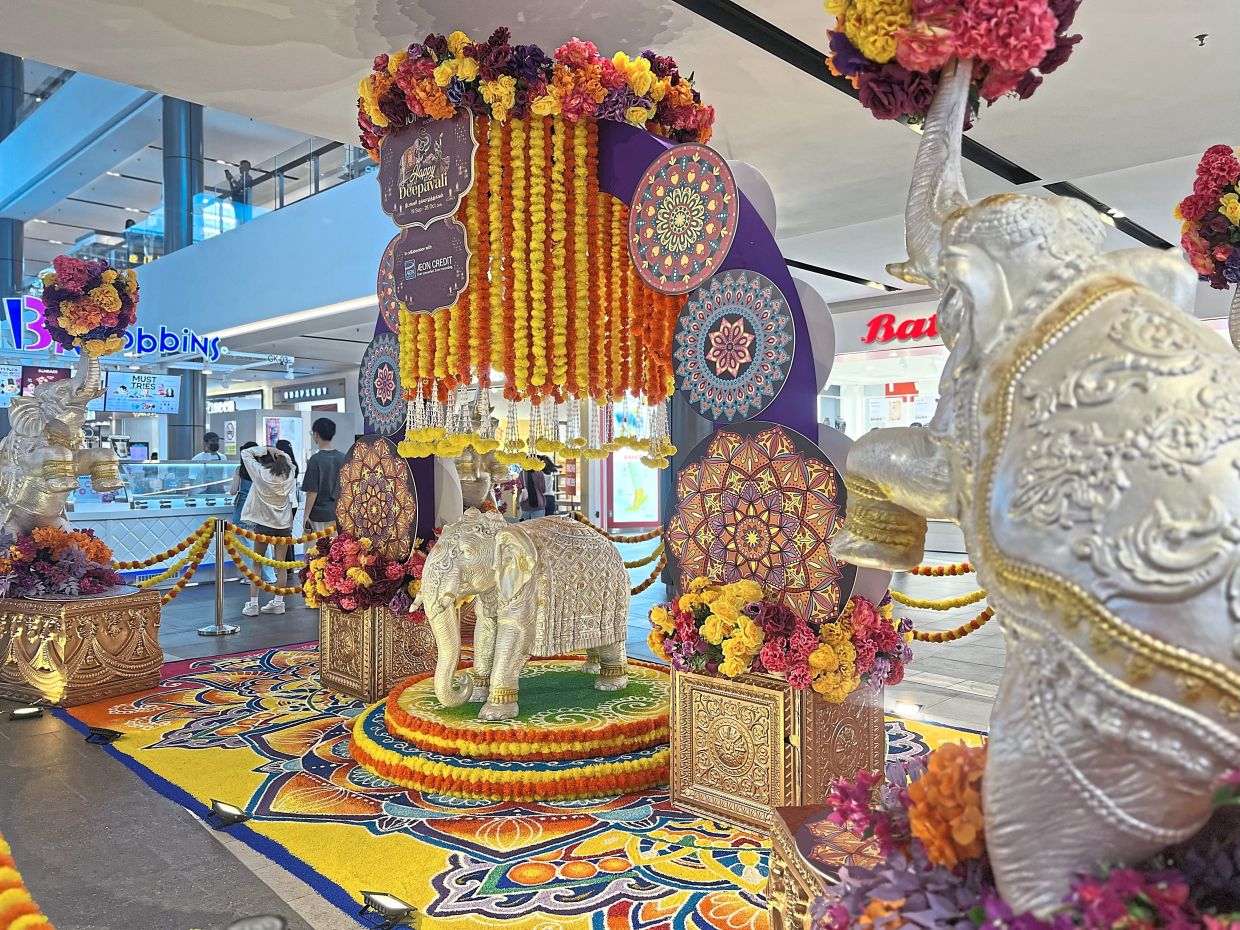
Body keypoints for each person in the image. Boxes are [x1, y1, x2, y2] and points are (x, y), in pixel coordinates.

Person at [239, 445, 296, 617]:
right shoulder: (289, 475)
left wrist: (265, 448)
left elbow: (245, 453)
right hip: (284, 525)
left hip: (263, 525)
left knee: (257, 563)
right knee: (281, 566)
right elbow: (290, 461)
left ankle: (253, 604)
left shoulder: (260, 474)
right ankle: (278, 603)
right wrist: (279, 452)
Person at [230, 441, 276, 585]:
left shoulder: (240, 470)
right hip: (260, 513)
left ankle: (253, 577)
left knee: (246, 548)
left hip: (243, 513)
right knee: (263, 545)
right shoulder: (262, 469)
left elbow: (232, 491)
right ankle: (269, 576)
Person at [302, 418, 346, 532]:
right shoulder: (343, 457)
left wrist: (306, 515)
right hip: (338, 514)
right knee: (335, 548)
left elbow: (312, 492)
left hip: (318, 516)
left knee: (315, 548)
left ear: (316, 435)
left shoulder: (315, 460)